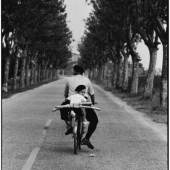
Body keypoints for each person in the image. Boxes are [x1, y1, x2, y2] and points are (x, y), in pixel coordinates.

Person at [63, 65, 98, 149]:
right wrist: (92, 104)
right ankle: (86, 139)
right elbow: (92, 94)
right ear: (82, 72)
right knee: (94, 120)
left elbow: (66, 94)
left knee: (63, 110)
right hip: (83, 103)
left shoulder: (69, 79)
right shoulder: (87, 80)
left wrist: (67, 99)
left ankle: (69, 126)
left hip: (72, 102)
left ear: (75, 71)